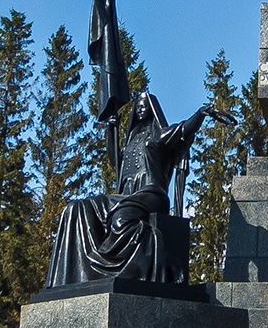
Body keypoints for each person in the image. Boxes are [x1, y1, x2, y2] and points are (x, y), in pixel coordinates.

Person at [43, 92, 209, 288]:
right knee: (76, 208)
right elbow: (116, 160)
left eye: (144, 105)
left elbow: (183, 129)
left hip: (151, 194)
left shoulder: (158, 136)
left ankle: (155, 254)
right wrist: (111, 128)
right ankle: (77, 276)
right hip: (125, 196)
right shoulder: (131, 140)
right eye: (137, 105)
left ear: (152, 109)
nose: (140, 108)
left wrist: (200, 114)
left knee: (121, 220)